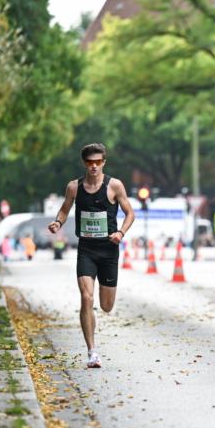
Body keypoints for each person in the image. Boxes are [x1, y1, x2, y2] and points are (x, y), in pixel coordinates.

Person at [47, 143, 135, 369]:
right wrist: (58, 222)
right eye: (89, 162)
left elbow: (130, 213)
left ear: (104, 162)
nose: (94, 166)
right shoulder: (74, 187)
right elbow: (65, 209)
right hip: (86, 249)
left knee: (106, 306)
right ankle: (92, 352)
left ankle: (94, 315)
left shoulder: (114, 186)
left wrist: (121, 233)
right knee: (86, 297)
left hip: (109, 250)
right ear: (84, 163)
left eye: (98, 162)